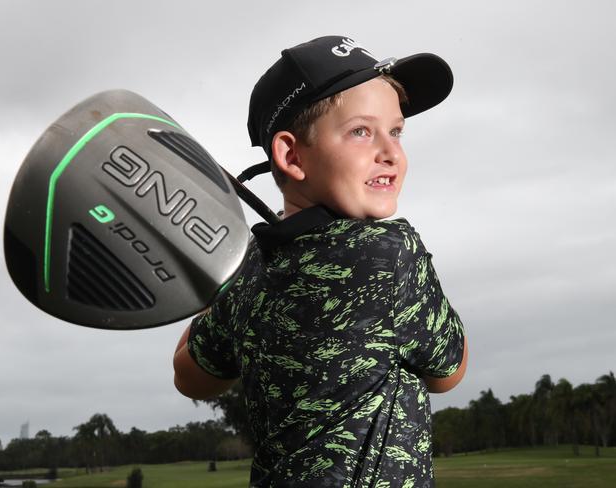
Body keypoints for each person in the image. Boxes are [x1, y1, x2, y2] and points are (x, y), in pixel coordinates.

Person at [173, 35, 468, 487]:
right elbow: (448, 372)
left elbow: (191, 377)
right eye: (361, 131)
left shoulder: (248, 273)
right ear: (291, 155)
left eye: (396, 130)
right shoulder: (389, 254)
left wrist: (226, 278)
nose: (391, 152)